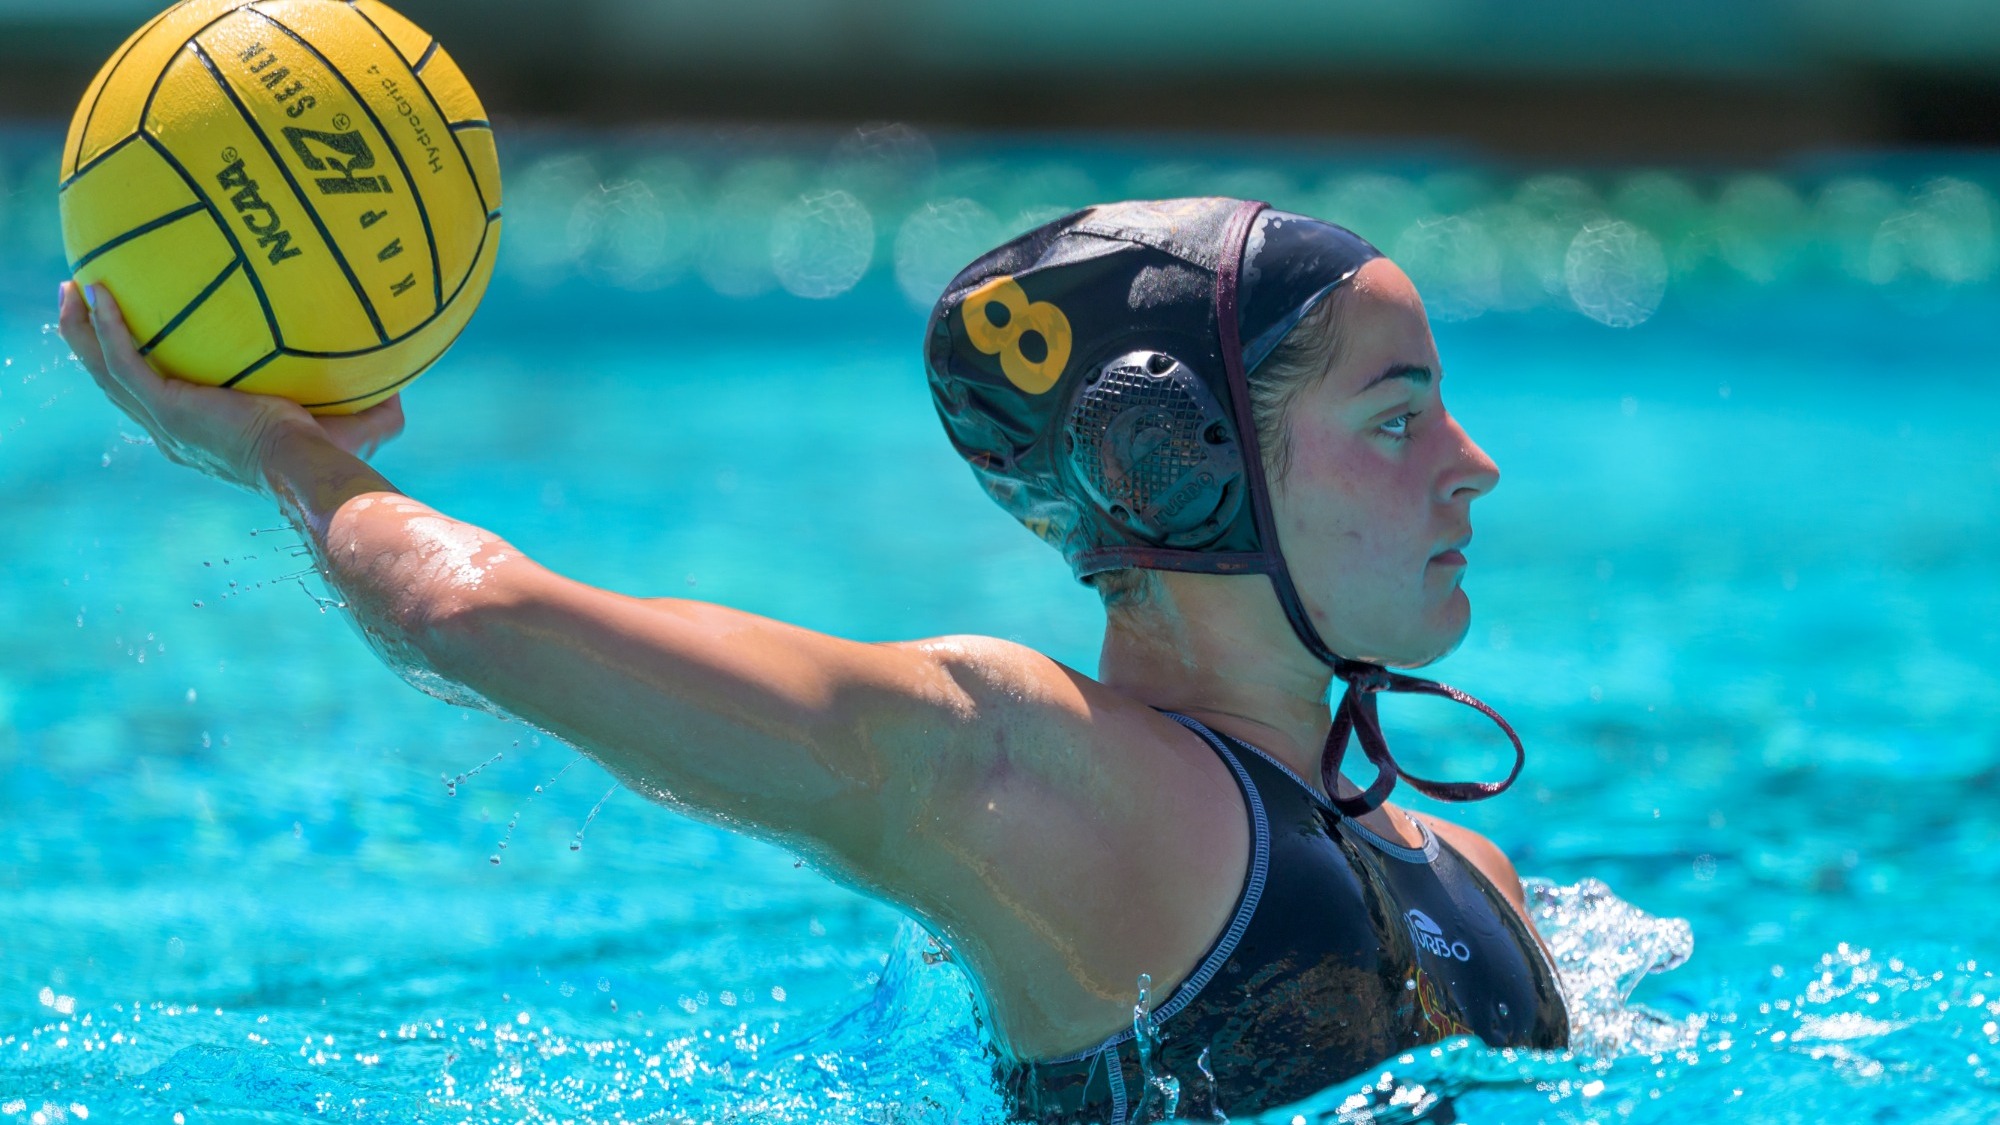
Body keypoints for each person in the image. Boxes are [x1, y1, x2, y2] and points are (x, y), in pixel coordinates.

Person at [59, 197, 1566, 1123]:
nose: (1474, 465)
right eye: (1397, 419)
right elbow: (478, 614)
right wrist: (277, 450)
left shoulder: (1472, 874)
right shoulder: (1041, 778)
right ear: (1179, 464)